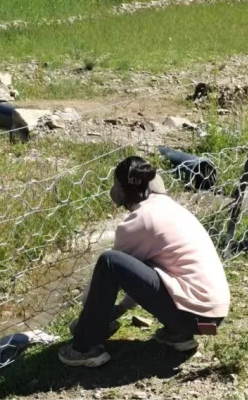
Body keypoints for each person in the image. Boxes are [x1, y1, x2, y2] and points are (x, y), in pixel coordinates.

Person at [58, 156, 230, 368]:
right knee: (161, 266)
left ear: (121, 192)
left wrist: (89, 321)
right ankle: (178, 334)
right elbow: (142, 274)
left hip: (192, 315)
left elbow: (112, 273)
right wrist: (122, 308)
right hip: (213, 315)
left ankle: (84, 348)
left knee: (109, 261)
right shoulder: (173, 209)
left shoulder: (141, 220)